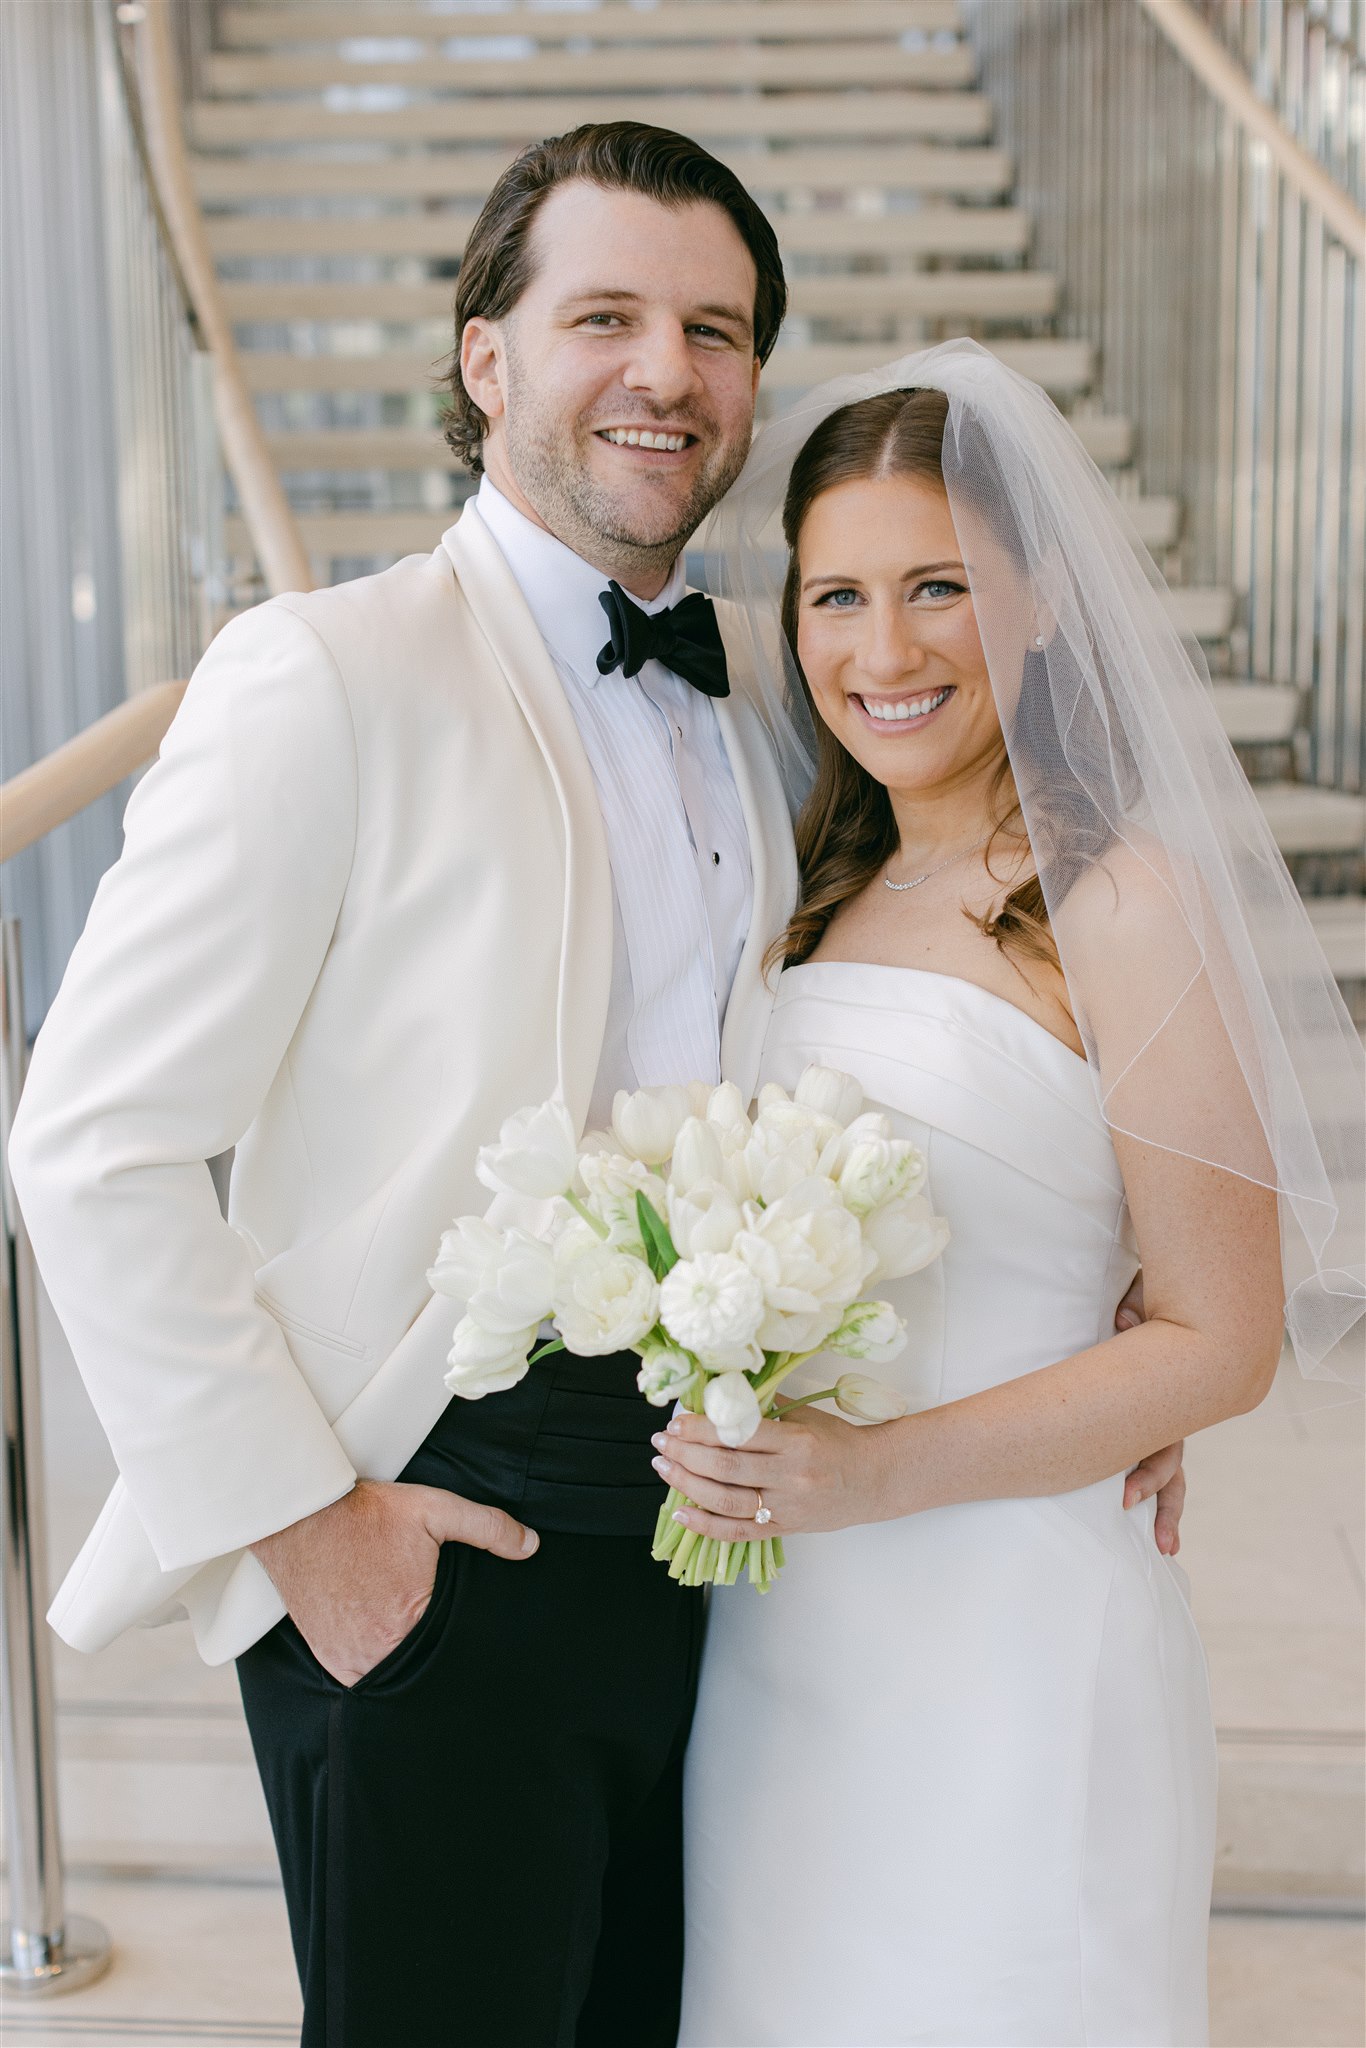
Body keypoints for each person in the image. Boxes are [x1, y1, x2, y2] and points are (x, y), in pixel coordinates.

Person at [8, 130, 1186, 2044]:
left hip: (716, 1547)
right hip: (430, 1529)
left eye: (713, 330)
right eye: (605, 316)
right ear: (489, 358)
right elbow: (92, 1137)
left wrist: (1085, 1323)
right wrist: (318, 1533)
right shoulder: (322, 671)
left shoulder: (762, 690)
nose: (666, 371)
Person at [660, 348, 1364, 2047]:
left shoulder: (1119, 900)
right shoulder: (801, 882)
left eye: (937, 590)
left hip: (1013, 1625)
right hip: (780, 1643)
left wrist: (870, 1471)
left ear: (1040, 601)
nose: (879, 652)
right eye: (836, 594)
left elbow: (1220, 1337)